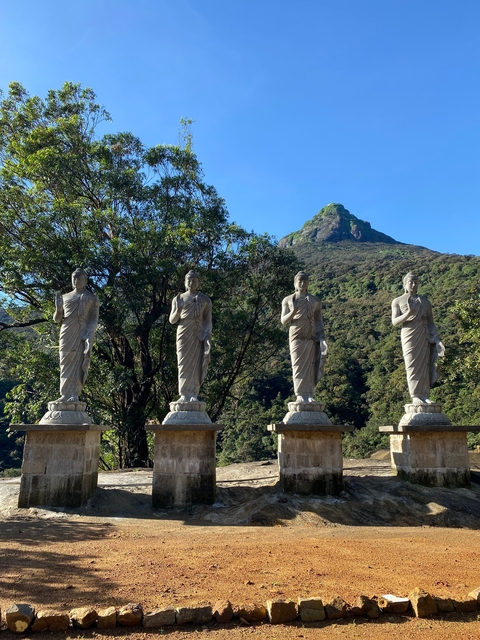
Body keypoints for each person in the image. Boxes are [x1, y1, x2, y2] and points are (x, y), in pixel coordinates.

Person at [391, 272, 444, 404]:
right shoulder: (398, 301)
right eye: (411, 282)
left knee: (424, 364)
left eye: (416, 282)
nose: (413, 285)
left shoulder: (425, 301)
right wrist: (409, 313)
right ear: (405, 284)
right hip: (409, 334)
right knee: (412, 364)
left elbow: (431, 322)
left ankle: (424, 395)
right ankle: (415, 396)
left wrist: (437, 340)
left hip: (424, 334)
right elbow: (395, 322)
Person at [54, 268, 100, 402]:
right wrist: (58, 308)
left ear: (85, 280)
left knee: (78, 361)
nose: (76, 281)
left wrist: (89, 332)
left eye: (79, 278)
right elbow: (57, 319)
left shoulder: (92, 298)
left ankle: (74, 393)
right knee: (65, 361)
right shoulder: (65, 297)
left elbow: (94, 319)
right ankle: (64, 394)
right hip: (67, 330)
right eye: (74, 278)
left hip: (82, 331)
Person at [281, 271, 327, 402]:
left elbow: (319, 322)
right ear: (295, 283)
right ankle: (300, 395)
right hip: (296, 336)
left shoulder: (315, 301)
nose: (302, 283)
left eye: (305, 281)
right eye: (300, 281)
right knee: (298, 366)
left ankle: (310, 394)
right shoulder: (288, 300)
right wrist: (294, 311)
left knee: (311, 365)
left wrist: (322, 339)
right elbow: (283, 320)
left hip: (311, 336)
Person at [169, 270, 212, 402]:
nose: (191, 283)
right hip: (183, 331)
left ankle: (193, 393)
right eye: (189, 280)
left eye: (194, 280)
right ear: (185, 282)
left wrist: (207, 334)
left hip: (198, 333)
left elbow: (208, 320)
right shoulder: (179, 299)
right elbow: (172, 320)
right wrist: (178, 309)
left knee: (196, 362)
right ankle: (183, 394)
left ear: (198, 283)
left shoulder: (205, 300)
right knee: (182, 363)